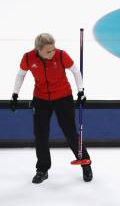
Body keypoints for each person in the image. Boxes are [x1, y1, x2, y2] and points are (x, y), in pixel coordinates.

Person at [10, 33, 92, 184]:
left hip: (63, 98)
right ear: (38, 50)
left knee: (70, 133)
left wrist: (81, 90)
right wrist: (15, 94)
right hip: (40, 99)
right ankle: (42, 169)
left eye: (53, 49)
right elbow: (20, 75)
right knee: (40, 135)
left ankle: (85, 163)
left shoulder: (61, 55)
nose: (52, 53)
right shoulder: (28, 58)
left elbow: (75, 71)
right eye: (48, 51)